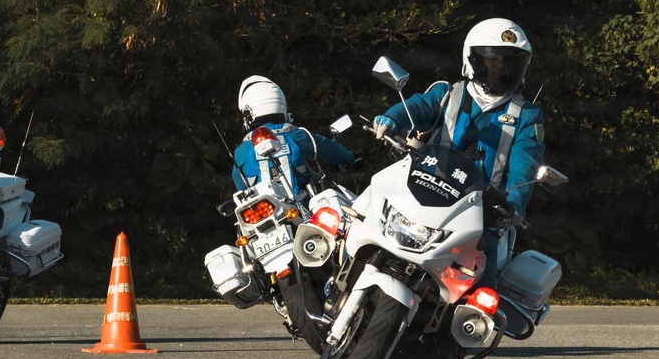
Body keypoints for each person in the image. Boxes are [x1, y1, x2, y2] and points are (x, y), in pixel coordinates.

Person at [372, 18, 546, 287]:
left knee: (483, 255)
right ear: (472, 59)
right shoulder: (447, 93)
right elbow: (417, 107)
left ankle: (473, 322)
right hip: (425, 186)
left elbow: (525, 162)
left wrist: (514, 203)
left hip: (480, 207)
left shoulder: (526, 114)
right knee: (372, 208)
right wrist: (391, 118)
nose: (502, 69)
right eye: (494, 61)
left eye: (512, 62)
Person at [233, 75, 356, 193]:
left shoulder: (241, 151)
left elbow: (241, 187)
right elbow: (332, 150)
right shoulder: (297, 135)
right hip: (303, 204)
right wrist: (350, 157)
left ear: (248, 113)